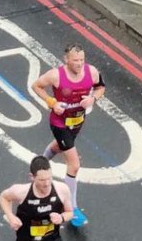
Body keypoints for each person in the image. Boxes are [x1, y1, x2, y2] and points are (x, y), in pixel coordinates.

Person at [31, 45, 105, 230]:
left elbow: (101, 87)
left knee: (58, 147)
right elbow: (37, 86)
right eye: (75, 60)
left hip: (77, 122)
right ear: (66, 59)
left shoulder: (92, 72)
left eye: (82, 60)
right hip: (60, 123)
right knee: (74, 164)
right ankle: (72, 208)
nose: (79, 64)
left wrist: (93, 99)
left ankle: (38, 165)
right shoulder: (56, 75)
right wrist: (51, 102)